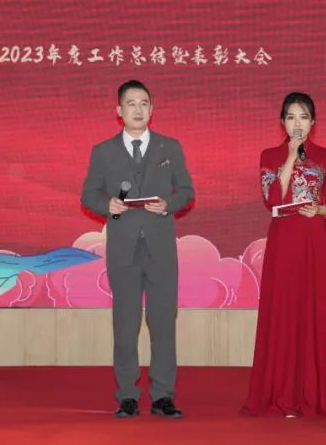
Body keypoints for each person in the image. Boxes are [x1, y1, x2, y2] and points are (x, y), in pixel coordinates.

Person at [241, 92, 326, 418]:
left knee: (317, 310)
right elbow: (272, 199)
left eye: (304, 117)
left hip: (315, 242)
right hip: (284, 242)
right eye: (291, 117)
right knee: (285, 310)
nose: (297, 124)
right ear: (282, 122)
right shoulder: (270, 156)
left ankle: (320, 394)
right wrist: (291, 157)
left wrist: (318, 209)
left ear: (313, 122)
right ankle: (285, 395)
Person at [80, 79, 194, 418]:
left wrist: (169, 204)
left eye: (144, 103)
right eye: (131, 104)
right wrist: (107, 205)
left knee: (163, 324)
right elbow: (88, 195)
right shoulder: (103, 151)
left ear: (152, 109)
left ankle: (163, 397)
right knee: (125, 325)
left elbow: (187, 191)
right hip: (123, 249)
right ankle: (127, 395)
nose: (138, 109)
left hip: (160, 250)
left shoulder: (169, 147)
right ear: (119, 111)